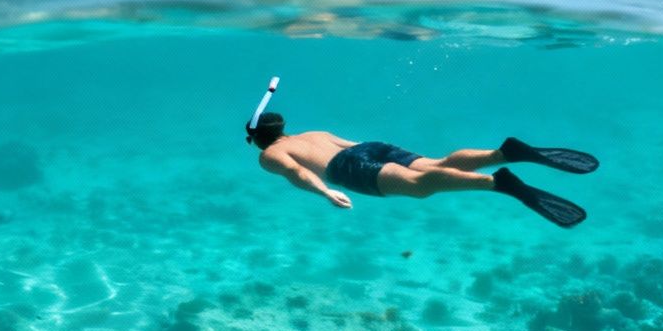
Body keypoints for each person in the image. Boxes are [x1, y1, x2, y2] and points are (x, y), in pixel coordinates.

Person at [246, 110, 595, 227]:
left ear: (258, 139)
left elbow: (298, 173)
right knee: (439, 163)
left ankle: (498, 183)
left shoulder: (269, 155)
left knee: (419, 186)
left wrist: (325, 191)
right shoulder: (313, 132)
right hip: (371, 147)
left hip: (347, 167)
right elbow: (354, 144)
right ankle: (502, 153)